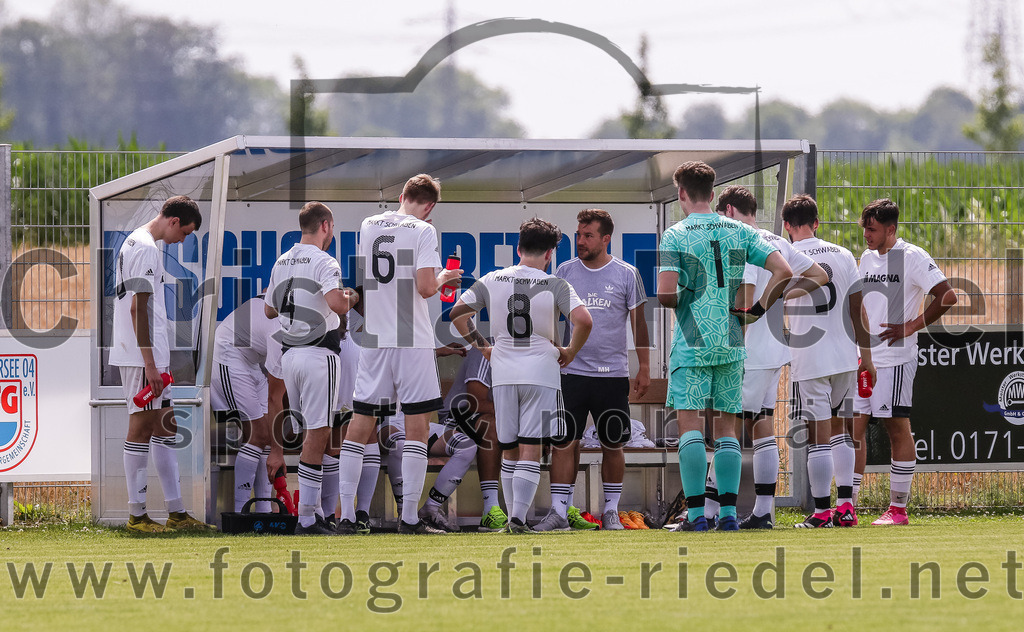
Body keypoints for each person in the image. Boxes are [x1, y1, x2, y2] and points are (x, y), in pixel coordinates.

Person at [656, 161, 792, 532]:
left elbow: (666, 294)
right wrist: (758, 308)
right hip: (731, 340)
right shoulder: (739, 230)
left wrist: (690, 293)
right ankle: (729, 514)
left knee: (690, 428)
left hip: (692, 341)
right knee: (728, 429)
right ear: (713, 194)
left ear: (681, 194)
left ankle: (699, 515)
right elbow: (785, 272)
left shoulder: (675, 235)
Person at [338, 174, 462, 535]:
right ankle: (409, 519)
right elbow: (425, 287)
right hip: (412, 338)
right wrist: (444, 279)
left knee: (360, 426)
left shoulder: (368, 224)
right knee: (417, 430)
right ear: (430, 206)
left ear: (401, 195)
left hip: (376, 336)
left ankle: (346, 516)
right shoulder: (424, 232)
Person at [451, 218, 592, 533]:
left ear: (518, 248)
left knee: (509, 446)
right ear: (551, 253)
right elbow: (584, 320)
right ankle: (517, 519)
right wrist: (569, 351)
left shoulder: (492, 278)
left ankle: (513, 519)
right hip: (541, 371)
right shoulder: (555, 283)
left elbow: (457, 314)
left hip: (503, 370)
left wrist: (483, 346)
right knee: (530, 446)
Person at [714, 186, 826, 529]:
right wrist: (777, 298)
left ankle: (709, 513)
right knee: (761, 425)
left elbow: (744, 296)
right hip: (776, 350)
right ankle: (763, 511)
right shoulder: (777, 240)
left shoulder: (740, 239)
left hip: (748, 353)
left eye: (720, 216)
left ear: (729, 210)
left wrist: (744, 330)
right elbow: (820, 275)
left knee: (724, 427)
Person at [111, 195, 211, 533]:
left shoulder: (138, 243)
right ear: (173, 221)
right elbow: (138, 310)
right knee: (140, 429)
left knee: (166, 427)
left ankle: (177, 512)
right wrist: (150, 364)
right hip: (143, 358)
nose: (183, 240)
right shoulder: (146, 248)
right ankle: (136, 515)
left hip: (150, 357)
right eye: (185, 232)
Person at [545, 208, 650, 531]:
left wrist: (644, 366)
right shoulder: (564, 270)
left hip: (612, 376)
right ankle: (559, 512)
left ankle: (610, 510)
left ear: (606, 239)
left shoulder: (627, 273)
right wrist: (553, 351)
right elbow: (549, 317)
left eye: (588, 235)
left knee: (612, 444)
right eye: (578, 235)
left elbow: (639, 323)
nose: (580, 241)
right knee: (564, 443)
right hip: (571, 374)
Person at [853, 198, 957, 526]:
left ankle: (898, 509)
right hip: (866, 358)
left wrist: (910, 326)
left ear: (891, 229)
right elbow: (862, 307)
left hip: (897, 360)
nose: (866, 235)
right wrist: (860, 349)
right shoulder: (866, 258)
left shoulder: (913, 257)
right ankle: (847, 506)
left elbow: (948, 296)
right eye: (864, 229)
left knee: (896, 427)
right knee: (851, 429)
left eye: (872, 230)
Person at [264, 201, 359, 535]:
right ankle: (307, 517)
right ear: (326, 226)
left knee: (310, 432)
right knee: (318, 433)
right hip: (319, 354)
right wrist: (353, 297)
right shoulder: (324, 260)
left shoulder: (282, 259)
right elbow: (336, 303)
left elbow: (268, 311)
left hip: (290, 356)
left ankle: (314, 511)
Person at [782, 194, 875, 528]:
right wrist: (867, 356)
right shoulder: (844, 253)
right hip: (845, 354)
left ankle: (822, 512)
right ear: (817, 222)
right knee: (841, 432)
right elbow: (857, 309)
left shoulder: (787, 255)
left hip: (810, 355)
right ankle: (846, 507)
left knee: (819, 433)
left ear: (787, 226)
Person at [210, 295, 286, 514]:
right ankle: (241, 511)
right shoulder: (280, 335)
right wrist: (278, 451)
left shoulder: (287, 313)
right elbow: (276, 397)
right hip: (227, 354)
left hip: (250, 361)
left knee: (263, 437)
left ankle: (263, 510)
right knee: (260, 435)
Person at [437, 346, 507, 531]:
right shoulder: (485, 351)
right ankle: (490, 509)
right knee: (492, 426)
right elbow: (476, 402)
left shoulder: (533, 354)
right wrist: (517, 415)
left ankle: (556, 509)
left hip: (503, 416)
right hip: (457, 416)